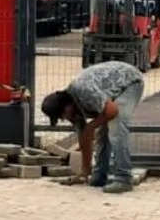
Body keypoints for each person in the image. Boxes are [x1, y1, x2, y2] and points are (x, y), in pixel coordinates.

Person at [41, 60, 146, 193]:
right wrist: (84, 171)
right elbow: (85, 138)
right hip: (111, 88)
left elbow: (112, 111)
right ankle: (99, 176)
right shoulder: (73, 110)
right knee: (103, 131)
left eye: (62, 115)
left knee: (116, 125)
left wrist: (91, 126)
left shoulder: (84, 91)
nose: (64, 118)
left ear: (67, 105)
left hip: (130, 81)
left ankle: (123, 178)